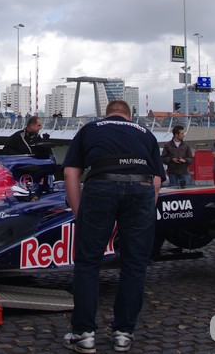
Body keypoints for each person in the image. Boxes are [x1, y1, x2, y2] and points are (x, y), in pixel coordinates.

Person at [62, 100, 165, 353]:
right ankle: (123, 334)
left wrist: (79, 213)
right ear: (129, 117)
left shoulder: (90, 129)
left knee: (88, 262)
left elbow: (70, 173)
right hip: (141, 187)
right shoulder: (146, 133)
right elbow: (156, 182)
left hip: (101, 184)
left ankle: (83, 334)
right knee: (135, 264)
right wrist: (144, 212)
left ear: (106, 116)